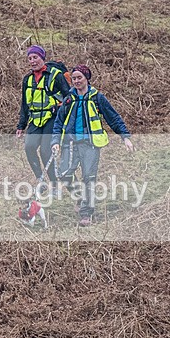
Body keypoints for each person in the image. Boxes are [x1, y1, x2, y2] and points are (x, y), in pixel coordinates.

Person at [51, 64, 134, 226]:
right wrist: (55, 142)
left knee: (89, 178)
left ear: (86, 78)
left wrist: (125, 137)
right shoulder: (68, 99)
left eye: (79, 78)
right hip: (70, 143)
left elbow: (113, 117)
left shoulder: (97, 97)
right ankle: (79, 197)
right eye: (73, 78)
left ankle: (86, 213)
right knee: (63, 173)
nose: (76, 81)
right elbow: (58, 122)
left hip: (91, 144)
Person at [16, 45, 71, 193]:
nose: (33, 61)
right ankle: (41, 180)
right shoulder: (27, 79)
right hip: (35, 119)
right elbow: (24, 103)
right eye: (30, 58)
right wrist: (21, 125)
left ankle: (54, 183)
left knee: (46, 152)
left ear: (42, 58)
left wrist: (59, 108)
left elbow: (69, 97)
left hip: (51, 118)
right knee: (29, 147)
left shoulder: (55, 75)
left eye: (35, 57)